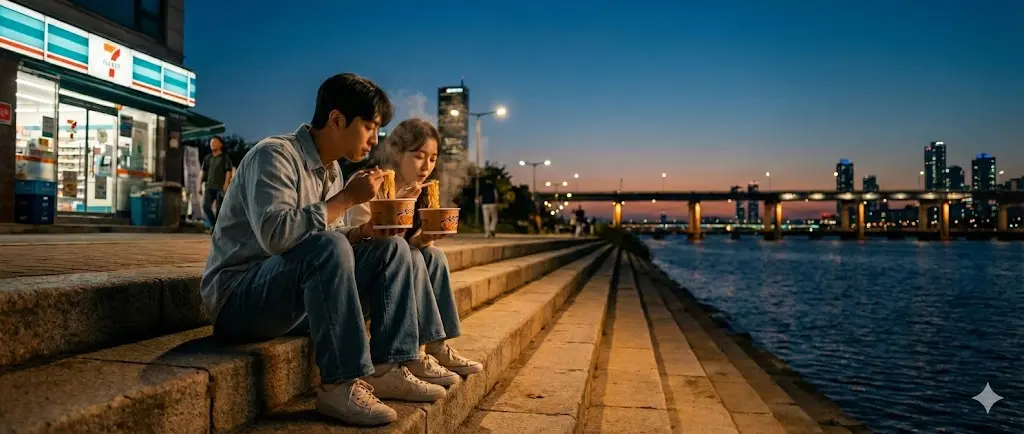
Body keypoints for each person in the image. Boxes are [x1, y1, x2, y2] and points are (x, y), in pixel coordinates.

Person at [200, 73, 445, 428]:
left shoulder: (331, 172)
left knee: (391, 248)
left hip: (291, 300)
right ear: (337, 119)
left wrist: (361, 232)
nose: (375, 139)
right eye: (369, 127)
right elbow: (277, 236)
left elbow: (327, 240)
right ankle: (339, 384)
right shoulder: (275, 155)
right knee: (330, 245)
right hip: (239, 300)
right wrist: (346, 199)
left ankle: (388, 366)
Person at [341, 118, 484, 387]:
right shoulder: (369, 184)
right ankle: (403, 356)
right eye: (419, 156)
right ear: (396, 152)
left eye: (432, 159)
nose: (426, 166)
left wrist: (424, 238)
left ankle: (437, 346)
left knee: (433, 255)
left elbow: (405, 251)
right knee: (415, 254)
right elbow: (366, 246)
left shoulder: (421, 192)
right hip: (362, 282)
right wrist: (400, 204)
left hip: (393, 279)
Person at [200, 136, 233, 229]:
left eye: (214, 142)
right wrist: (199, 184)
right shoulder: (207, 157)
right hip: (209, 186)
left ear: (220, 144)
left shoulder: (225, 157)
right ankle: (215, 226)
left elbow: (228, 171)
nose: (212, 144)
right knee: (205, 206)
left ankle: (217, 229)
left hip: (220, 187)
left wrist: (226, 184)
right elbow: (202, 171)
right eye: (211, 143)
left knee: (219, 209)